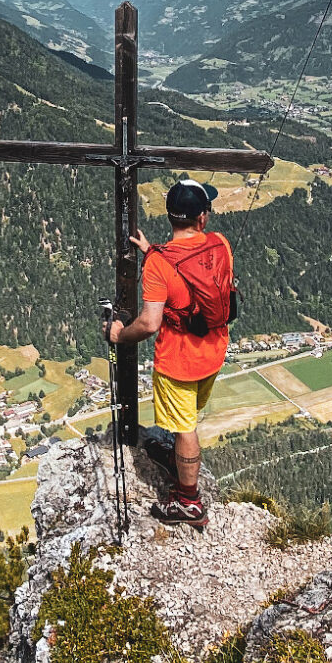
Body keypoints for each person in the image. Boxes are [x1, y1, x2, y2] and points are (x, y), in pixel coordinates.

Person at [107, 178, 234, 528]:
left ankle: (189, 502)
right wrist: (154, 252)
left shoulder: (160, 266)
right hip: (213, 350)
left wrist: (119, 335)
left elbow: (149, 323)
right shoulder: (220, 244)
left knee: (185, 425)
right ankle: (178, 457)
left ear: (170, 217)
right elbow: (193, 269)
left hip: (179, 361)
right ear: (203, 217)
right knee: (186, 418)